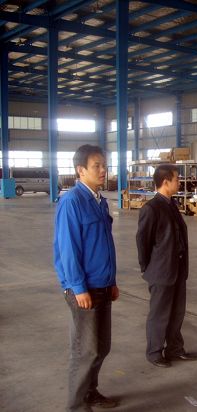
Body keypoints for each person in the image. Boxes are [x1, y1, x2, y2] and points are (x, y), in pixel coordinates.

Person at [53, 144, 119, 411]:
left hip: (103, 285)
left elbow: (103, 246)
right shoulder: (72, 201)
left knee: (101, 347)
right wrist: (78, 287)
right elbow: (68, 249)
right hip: (84, 289)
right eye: (96, 166)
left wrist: (112, 281)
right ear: (80, 170)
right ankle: (77, 406)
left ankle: (90, 392)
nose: (103, 170)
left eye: (104, 165)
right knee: (85, 351)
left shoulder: (99, 201)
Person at [136, 164, 194, 368]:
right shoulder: (151, 208)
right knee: (159, 314)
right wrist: (147, 267)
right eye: (177, 179)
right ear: (166, 182)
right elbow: (143, 241)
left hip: (177, 268)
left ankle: (175, 348)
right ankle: (154, 352)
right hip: (161, 270)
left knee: (177, 312)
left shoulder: (171, 204)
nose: (180, 182)